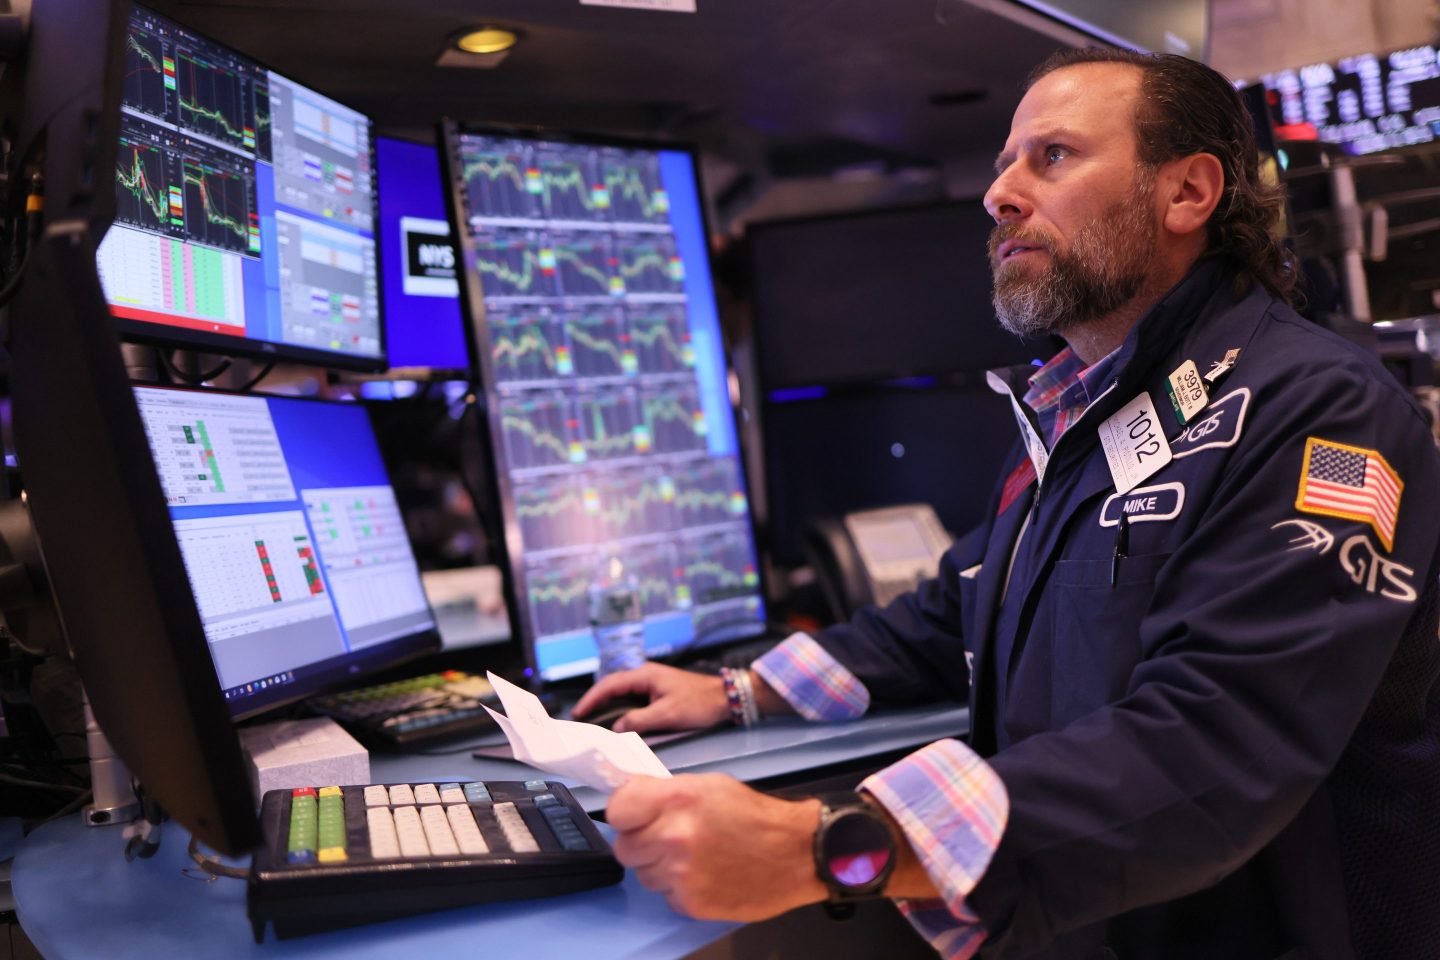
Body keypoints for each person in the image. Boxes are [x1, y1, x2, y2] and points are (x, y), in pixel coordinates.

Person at [574, 47, 1440, 960]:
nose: (1001, 194)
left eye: (1053, 156)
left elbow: (1215, 745)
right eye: (1002, 165)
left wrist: (823, 848)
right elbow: (961, 602)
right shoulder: (1081, 407)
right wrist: (737, 690)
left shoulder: (1319, 412)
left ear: (1187, 193)